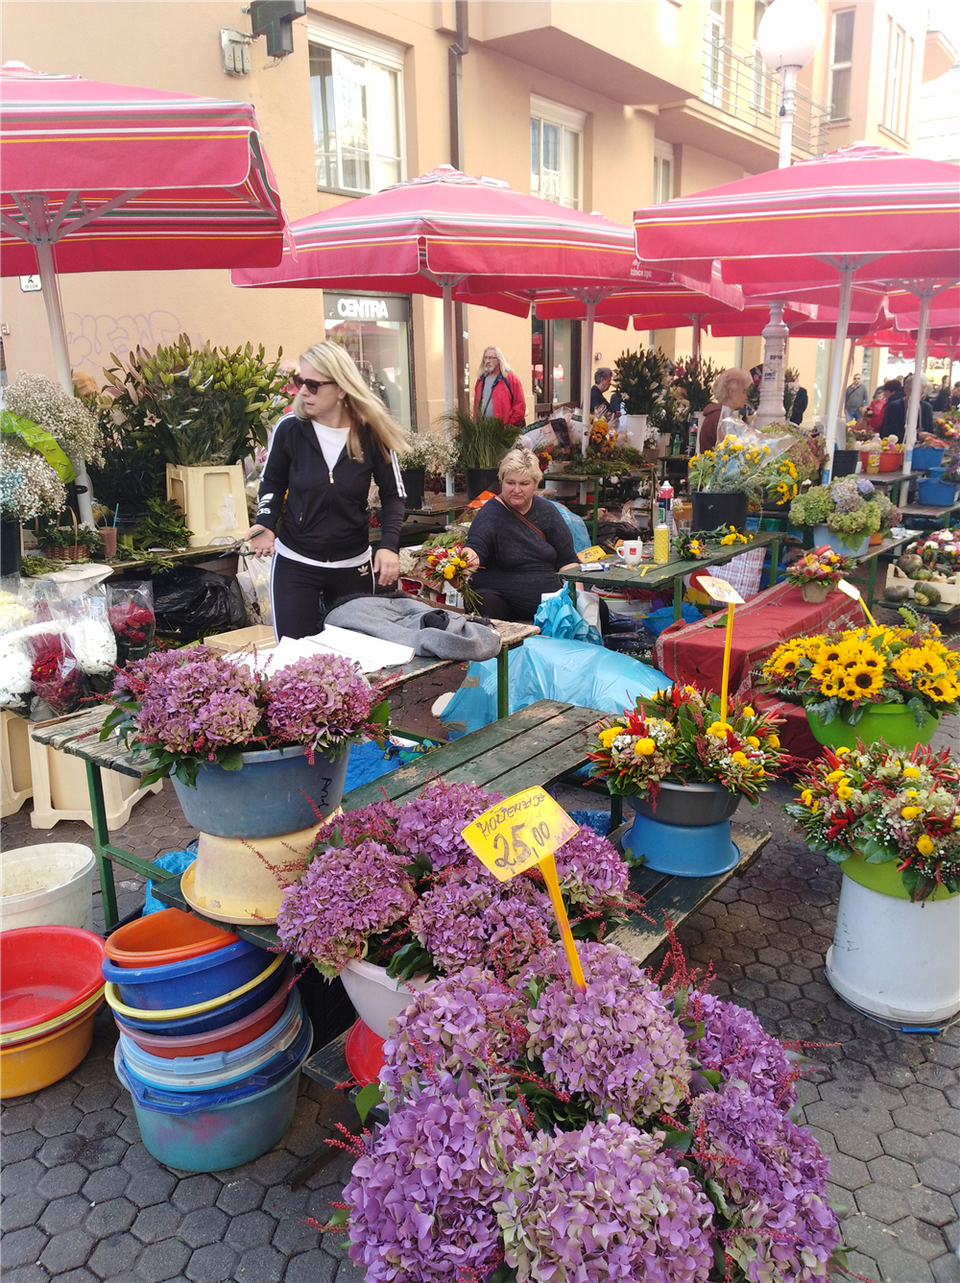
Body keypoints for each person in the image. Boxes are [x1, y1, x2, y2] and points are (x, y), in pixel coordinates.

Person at [243, 341, 407, 640]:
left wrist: (389, 545)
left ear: (342, 388)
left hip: (352, 565)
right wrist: (265, 523)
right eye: (299, 382)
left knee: (355, 660)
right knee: (294, 662)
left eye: (313, 385)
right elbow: (273, 482)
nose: (303, 391)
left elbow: (393, 495)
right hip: (296, 561)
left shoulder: (371, 433)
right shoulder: (289, 429)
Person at [463, 447, 579, 622]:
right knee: (485, 604)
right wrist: (464, 563)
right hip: (502, 598)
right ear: (501, 482)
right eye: (510, 483)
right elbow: (476, 545)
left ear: (535, 484)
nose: (516, 489)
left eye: (524, 484)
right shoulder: (491, 513)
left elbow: (568, 560)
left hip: (548, 599)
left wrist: (577, 599)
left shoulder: (547, 512)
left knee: (596, 609)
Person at [697, 368, 753, 452]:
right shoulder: (721, 418)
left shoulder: (716, 414)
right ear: (731, 393)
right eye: (743, 392)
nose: (746, 397)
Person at [473, 345, 526, 426]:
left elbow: (519, 406)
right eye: (485, 358)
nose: (487, 361)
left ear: (499, 359)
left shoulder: (510, 379)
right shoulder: (480, 380)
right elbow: (476, 408)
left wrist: (509, 427)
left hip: (505, 432)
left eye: (491, 358)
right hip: (485, 431)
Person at [882, 374, 933, 443]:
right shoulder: (894, 407)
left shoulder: (926, 408)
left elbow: (930, 432)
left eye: (923, 394)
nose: (921, 397)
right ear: (907, 391)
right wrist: (917, 436)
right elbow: (889, 434)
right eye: (919, 394)